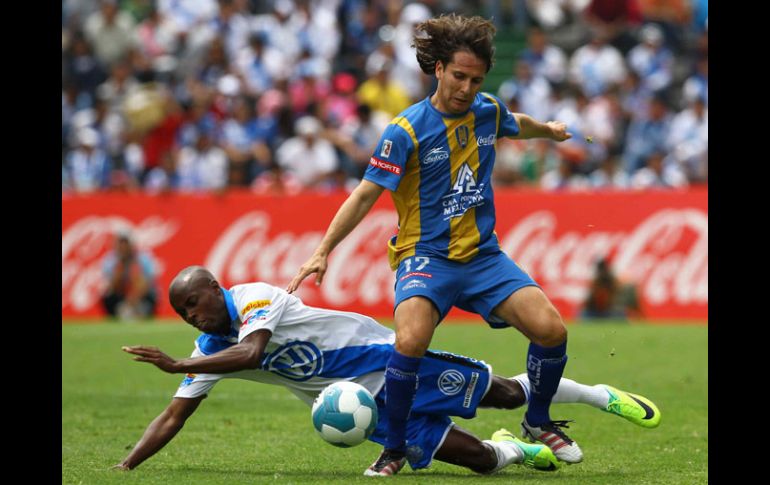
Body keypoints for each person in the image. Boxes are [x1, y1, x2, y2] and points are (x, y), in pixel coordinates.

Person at [287, 14, 582, 476]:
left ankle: (538, 420)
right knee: (409, 341)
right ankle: (395, 447)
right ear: (439, 69)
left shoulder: (486, 109)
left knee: (552, 330)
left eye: (476, 79)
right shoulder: (405, 131)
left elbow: (514, 122)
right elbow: (365, 193)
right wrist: (323, 250)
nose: (467, 88)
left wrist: (548, 129)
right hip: (425, 257)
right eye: (459, 76)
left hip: (484, 257)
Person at [114, 266, 661, 474]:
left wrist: (182, 361)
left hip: (389, 362)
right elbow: (174, 415)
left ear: (216, 288)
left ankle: (594, 394)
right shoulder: (209, 346)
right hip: (366, 411)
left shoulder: (256, 297)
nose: (193, 315)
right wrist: (126, 465)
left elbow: (254, 352)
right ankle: (520, 451)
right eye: (184, 314)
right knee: (476, 460)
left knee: (505, 395)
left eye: (195, 304)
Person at [101, 230, 158, 319]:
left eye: (126, 244)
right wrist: (120, 266)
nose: (123, 247)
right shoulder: (110, 261)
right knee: (107, 297)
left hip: (140, 296)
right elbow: (112, 287)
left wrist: (133, 299)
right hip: (121, 295)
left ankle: (140, 311)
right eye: (121, 244)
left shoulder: (143, 259)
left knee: (152, 295)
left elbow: (147, 283)